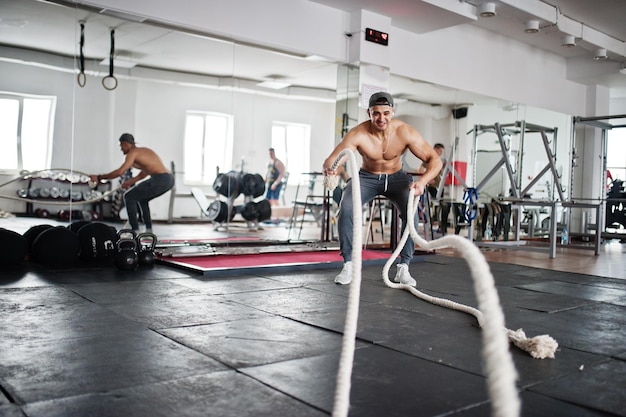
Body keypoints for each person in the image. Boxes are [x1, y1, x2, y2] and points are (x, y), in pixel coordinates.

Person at [323, 92, 443, 286]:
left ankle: (403, 267)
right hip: (366, 177)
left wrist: (422, 182)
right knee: (346, 209)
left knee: (411, 214)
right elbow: (334, 159)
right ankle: (348, 265)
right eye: (376, 113)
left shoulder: (405, 132)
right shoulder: (358, 133)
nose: (381, 118)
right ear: (369, 112)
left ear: (392, 111)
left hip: (397, 178)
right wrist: (331, 168)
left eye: (386, 113)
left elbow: (435, 161)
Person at [90, 133, 174, 235]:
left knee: (129, 196)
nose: (121, 149)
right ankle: (148, 230)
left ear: (125, 144)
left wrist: (99, 177)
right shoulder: (144, 151)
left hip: (161, 179)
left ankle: (134, 231)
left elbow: (119, 172)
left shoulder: (132, 153)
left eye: (121, 146)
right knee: (142, 199)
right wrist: (130, 181)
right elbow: (145, 171)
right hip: (168, 179)